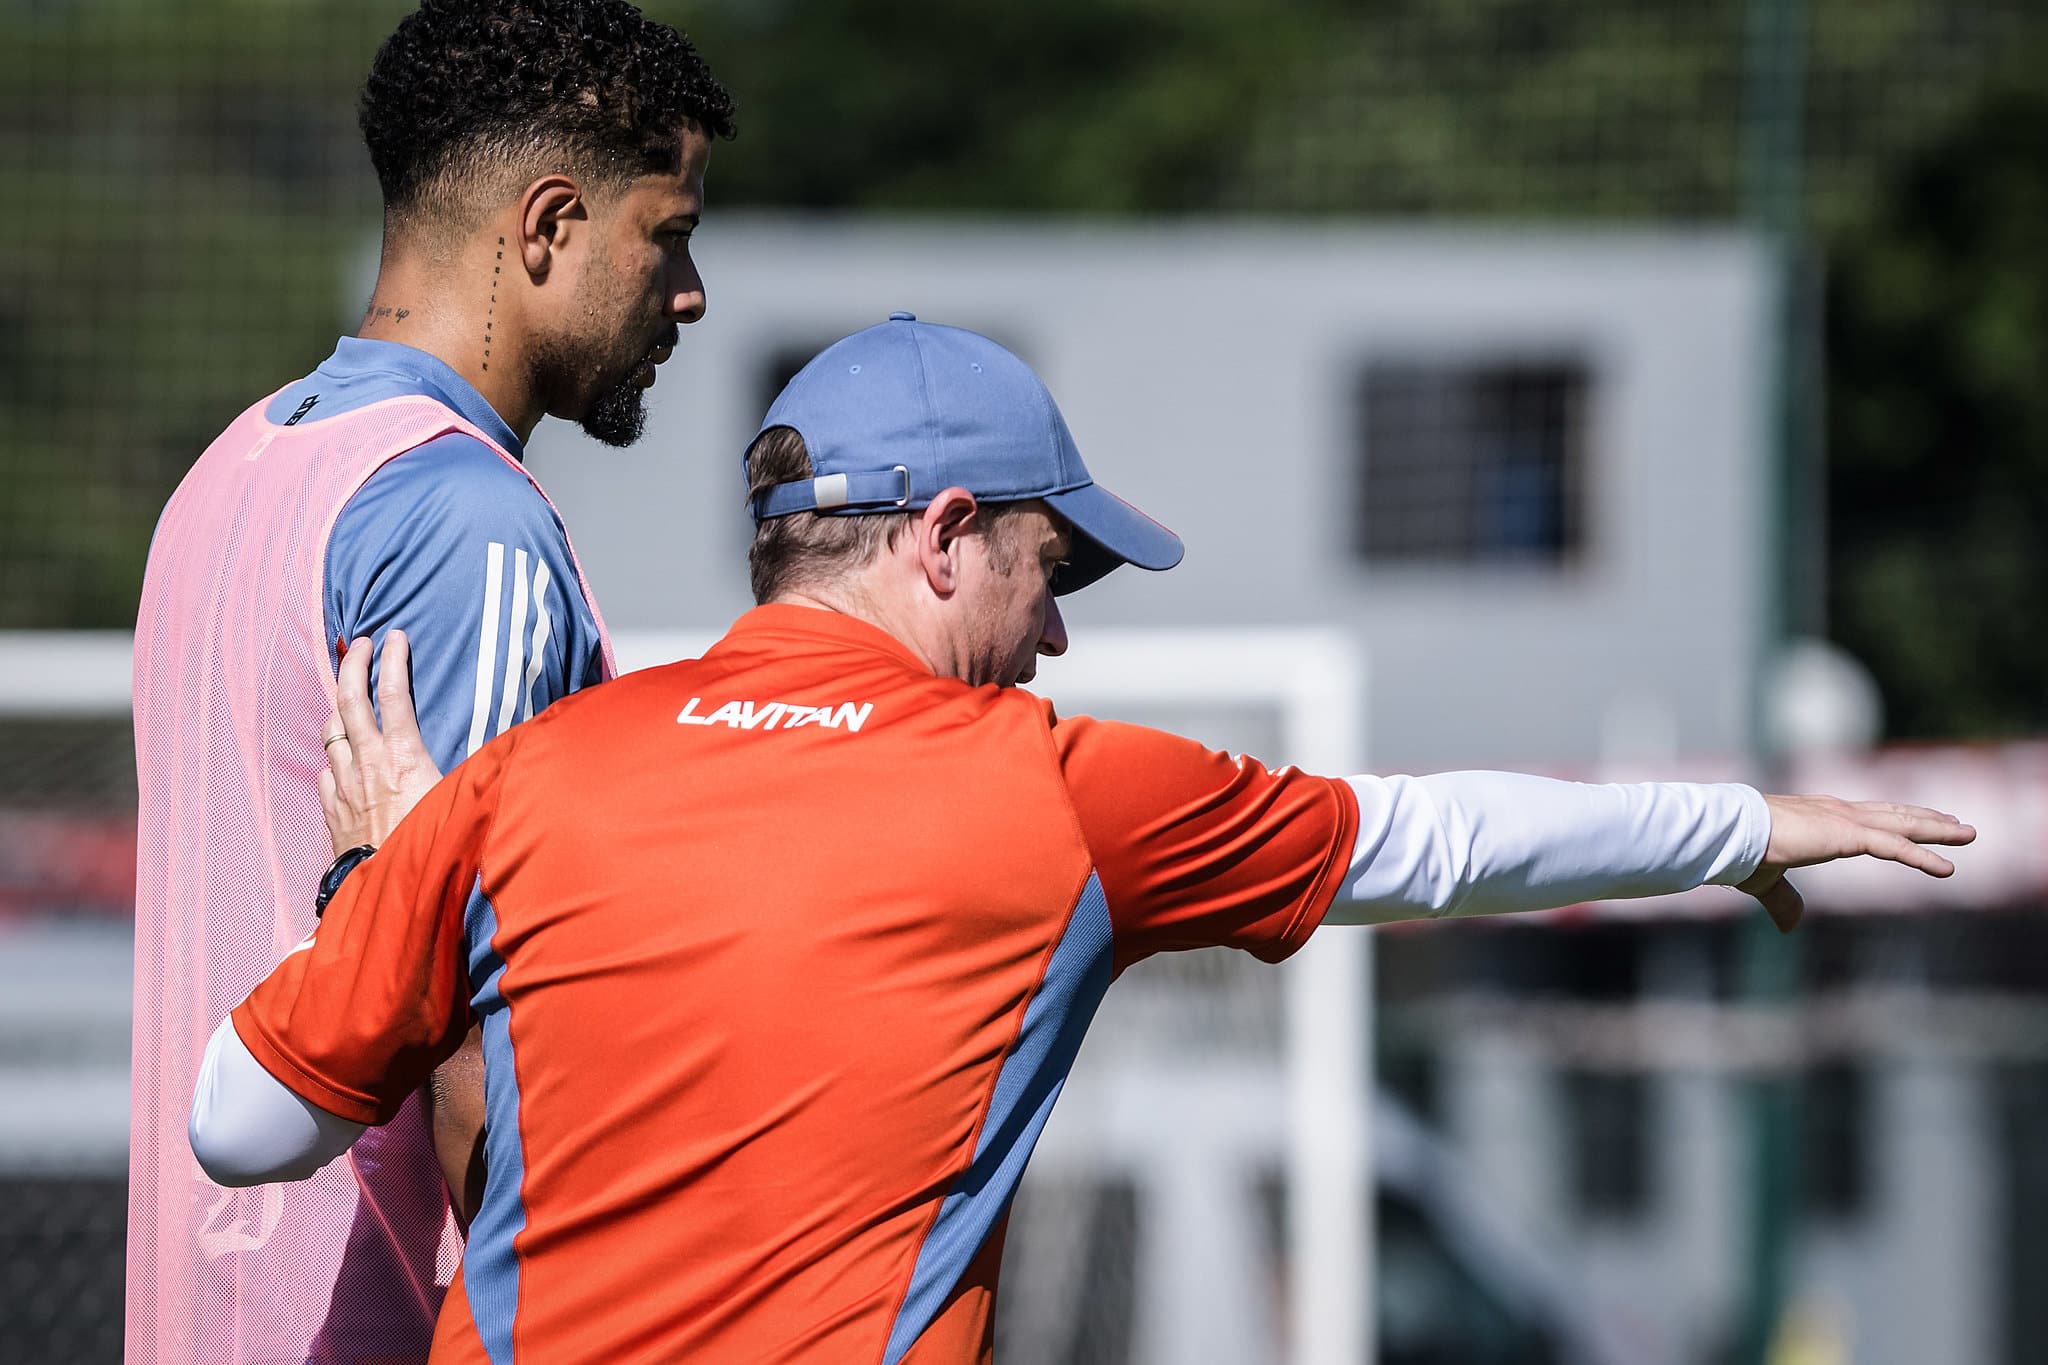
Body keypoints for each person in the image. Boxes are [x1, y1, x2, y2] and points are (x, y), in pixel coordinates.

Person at [188, 317, 1973, 1364]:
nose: (1058, 635)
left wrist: (381, 892)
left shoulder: (527, 781)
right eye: (1057, 571)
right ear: (944, 536)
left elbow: (242, 1123)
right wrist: (1752, 821)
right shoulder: (1049, 785)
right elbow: (1428, 843)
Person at [129, 3, 734, 1361]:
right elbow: (476, 1033)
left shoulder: (230, 474)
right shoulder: (469, 522)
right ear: (549, 225)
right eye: (671, 234)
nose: (689, 293)